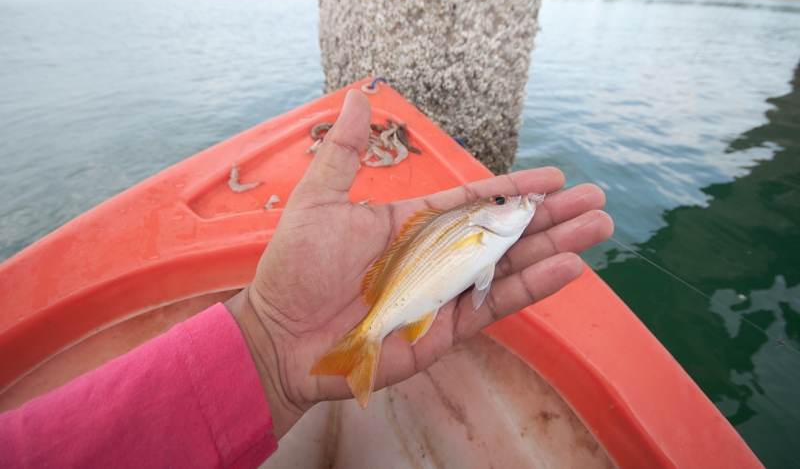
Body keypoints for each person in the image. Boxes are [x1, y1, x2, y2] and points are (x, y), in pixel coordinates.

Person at [0, 90, 613, 467]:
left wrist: (268, 346)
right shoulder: (478, 230)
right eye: (506, 205)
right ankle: (360, 346)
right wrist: (272, 344)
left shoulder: (483, 233)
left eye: (509, 204)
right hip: (405, 293)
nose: (516, 207)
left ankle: (357, 346)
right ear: (488, 217)